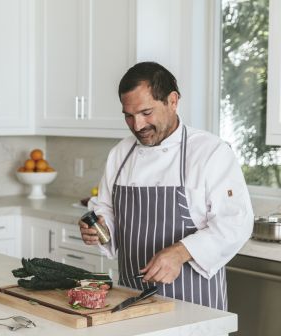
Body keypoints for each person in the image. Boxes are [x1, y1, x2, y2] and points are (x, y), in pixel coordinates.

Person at [79, 62, 253, 310]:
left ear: (172, 101)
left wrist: (181, 252)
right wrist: (97, 227)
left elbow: (236, 222)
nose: (137, 125)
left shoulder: (210, 151)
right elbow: (105, 209)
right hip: (131, 301)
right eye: (128, 115)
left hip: (194, 306)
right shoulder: (121, 153)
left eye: (146, 112)